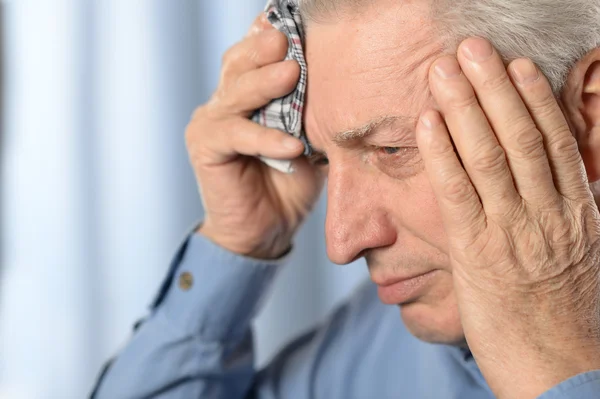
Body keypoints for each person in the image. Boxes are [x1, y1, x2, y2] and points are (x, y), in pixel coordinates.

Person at [92, 0, 600, 397]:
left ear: (589, 116)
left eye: (391, 148)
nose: (341, 242)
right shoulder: (384, 340)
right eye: (321, 159)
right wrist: (238, 241)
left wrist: (554, 366)